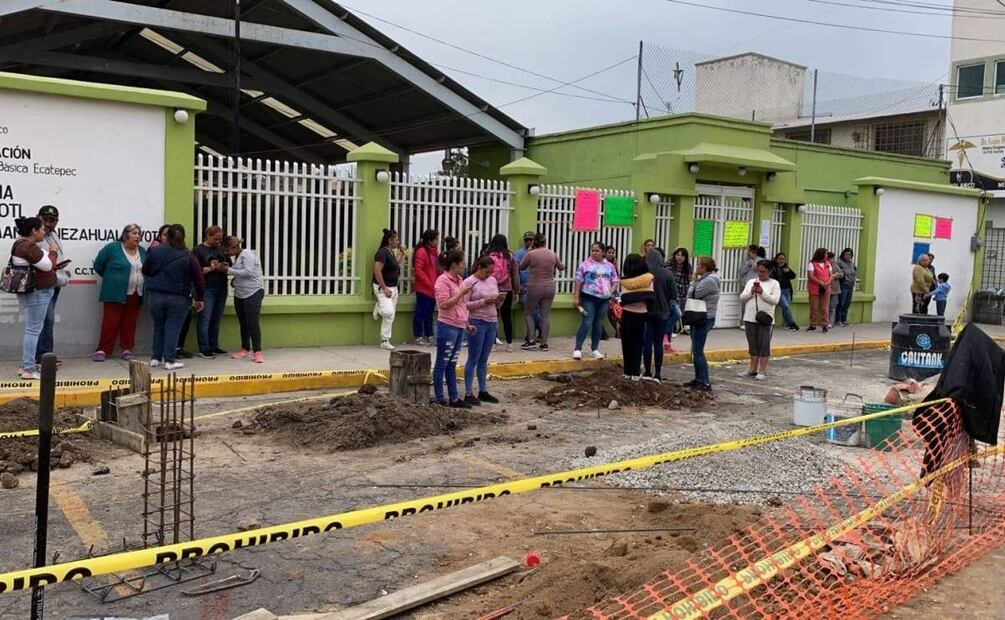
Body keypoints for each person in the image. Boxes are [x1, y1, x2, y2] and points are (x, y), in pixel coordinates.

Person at [142, 224, 205, 370]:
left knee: (159, 326)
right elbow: (199, 280)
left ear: (167, 236)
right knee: (173, 327)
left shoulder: (155, 251)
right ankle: (169, 360)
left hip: (155, 295)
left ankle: (155, 358)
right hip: (178, 298)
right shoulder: (188, 256)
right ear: (183, 237)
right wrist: (199, 298)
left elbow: (146, 269)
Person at [8, 216, 57, 380]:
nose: (44, 232)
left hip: (34, 292)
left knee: (32, 329)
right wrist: (53, 252)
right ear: (34, 231)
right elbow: (48, 265)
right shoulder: (26, 246)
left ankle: (26, 364)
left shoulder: (22, 245)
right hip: (36, 293)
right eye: (42, 229)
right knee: (33, 330)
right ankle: (28, 369)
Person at [92, 224, 147, 362]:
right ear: (125, 235)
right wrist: (113, 279)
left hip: (135, 293)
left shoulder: (142, 250)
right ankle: (103, 349)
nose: (137, 236)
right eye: (134, 233)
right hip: (114, 292)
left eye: (139, 234)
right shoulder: (113, 248)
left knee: (130, 322)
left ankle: (127, 349)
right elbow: (98, 265)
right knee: (110, 322)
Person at [433, 249, 475, 408]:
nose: (464, 266)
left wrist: (467, 323)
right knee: (442, 363)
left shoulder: (459, 280)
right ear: (454, 265)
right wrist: (461, 293)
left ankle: (454, 398)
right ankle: (439, 398)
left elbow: (462, 305)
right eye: (462, 263)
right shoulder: (442, 281)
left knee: (452, 363)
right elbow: (443, 304)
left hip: (459, 326)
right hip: (447, 326)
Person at [463, 256, 503, 406]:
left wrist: (498, 300)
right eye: (487, 272)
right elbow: (464, 304)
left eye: (491, 272)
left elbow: (496, 300)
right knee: (473, 358)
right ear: (479, 268)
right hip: (477, 322)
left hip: (492, 321)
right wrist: (483, 302)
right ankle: (468, 392)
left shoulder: (492, 281)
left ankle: (483, 390)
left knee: (483, 359)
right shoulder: (469, 282)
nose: (489, 275)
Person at [572, 242, 618, 361]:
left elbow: (615, 280)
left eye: (597, 251)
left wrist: (610, 291)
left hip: (603, 300)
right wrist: (576, 297)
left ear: (603, 252)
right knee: (587, 322)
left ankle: (595, 349)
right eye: (593, 250)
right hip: (589, 298)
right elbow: (578, 281)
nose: (594, 253)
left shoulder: (609, 266)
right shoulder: (585, 265)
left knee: (598, 324)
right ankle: (578, 349)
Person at [518, 233, 564, 351]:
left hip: (535, 286)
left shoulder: (531, 254)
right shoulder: (552, 253)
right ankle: (544, 343)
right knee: (545, 315)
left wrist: (529, 252)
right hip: (550, 286)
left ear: (534, 243)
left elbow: (521, 267)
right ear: (545, 242)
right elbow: (561, 267)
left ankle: (531, 340)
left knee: (529, 313)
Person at [35, 205, 68, 367]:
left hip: (55, 282)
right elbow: (42, 262)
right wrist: (53, 259)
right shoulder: (35, 236)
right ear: (38, 218)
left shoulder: (54, 235)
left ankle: (46, 356)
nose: (48, 223)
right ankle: (42, 357)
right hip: (41, 284)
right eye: (45, 219)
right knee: (44, 320)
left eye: (52, 220)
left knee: (48, 321)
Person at [223, 236, 265, 363]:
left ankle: (257, 351)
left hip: (253, 293)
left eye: (227, 250)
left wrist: (229, 270)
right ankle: (245, 348)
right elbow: (239, 272)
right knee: (243, 323)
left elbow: (249, 272)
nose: (226, 253)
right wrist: (231, 272)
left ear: (234, 247)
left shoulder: (247, 254)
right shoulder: (237, 257)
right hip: (240, 294)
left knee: (252, 323)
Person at [739, 259, 780, 381]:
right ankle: (752, 368)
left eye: (764, 272)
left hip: (765, 318)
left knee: (764, 344)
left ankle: (762, 370)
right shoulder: (751, 281)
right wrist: (751, 292)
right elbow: (742, 297)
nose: (761, 274)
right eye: (759, 271)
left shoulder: (774, 284)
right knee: (753, 344)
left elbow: (775, 300)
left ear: (770, 271)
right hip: (750, 317)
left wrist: (762, 293)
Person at [642, 248, 680, 382]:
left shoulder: (645, 273)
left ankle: (647, 371)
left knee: (647, 342)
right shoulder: (668, 274)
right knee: (658, 343)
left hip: (647, 311)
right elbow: (674, 295)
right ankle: (657, 374)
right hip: (663, 312)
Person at [193, 225, 230, 358]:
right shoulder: (198, 250)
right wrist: (211, 268)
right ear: (207, 236)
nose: (218, 242)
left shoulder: (221, 249)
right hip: (207, 287)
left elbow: (229, 264)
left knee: (216, 318)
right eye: (215, 239)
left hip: (222, 287)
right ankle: (204, 347)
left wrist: (225, 267)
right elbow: (195, 271)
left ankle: (214, 345)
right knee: (205, 318)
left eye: (220, 239)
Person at [684, 257, 720, 393]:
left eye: (699, 265)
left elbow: (694, 294)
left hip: (704, 317)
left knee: (698, 351)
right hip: (698, 315)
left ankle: (704, 381)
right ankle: (698, 378)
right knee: (696, 349)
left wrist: (693, 280)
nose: (696, 267)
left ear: (704, 268)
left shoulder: (709, 280)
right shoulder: (705, 279)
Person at [618, 253, 654, 381]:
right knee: (638, 343)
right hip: (641, 315)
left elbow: (624, 299)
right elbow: (650, 298)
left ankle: (627, 371)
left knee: (626, 343)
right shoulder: (649, 279)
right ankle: (635, 372)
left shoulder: (624, 281)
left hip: (627, 314)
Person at [485, 234, 520, 352]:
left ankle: (492, 344)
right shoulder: (510, 256)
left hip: (491, 289)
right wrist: (516, 291)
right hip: (507, 290)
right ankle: (509, 345)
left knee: (492, 317)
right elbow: (515, 276)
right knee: (506, 317)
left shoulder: (487, 255)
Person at [372, 228, 401, 350]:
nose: (398, 242)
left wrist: (401, 253)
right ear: (390, 240)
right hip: (384, 287)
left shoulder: (391, 252)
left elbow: (395, 265)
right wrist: (384, 288)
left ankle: (385, 340)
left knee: (390, 316)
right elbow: (377, 271)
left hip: (393, 287)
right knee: (388, 312)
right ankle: (379, 307)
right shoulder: (382, 253)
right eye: (396, 239)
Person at [412, 229, 439, 346]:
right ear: (430, 241)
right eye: (436, 240)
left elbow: (437, 268)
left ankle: (429, 334)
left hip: (433, 288)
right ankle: (418, 336)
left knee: (429, 313)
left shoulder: (434, 252)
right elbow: (418, 270)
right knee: (421, 312)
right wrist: (429, 283)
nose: (437, 242)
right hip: (423, 289)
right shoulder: (422, 252)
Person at [514, 231, 540, 342]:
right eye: (527, 240)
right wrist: (517, 285)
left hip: (538, 285)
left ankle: (533, 332)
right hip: (525, 287)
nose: (529, 242)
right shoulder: (520, 253)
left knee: (536, 310)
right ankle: (537, 330)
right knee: (530, 310)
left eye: (531, 240)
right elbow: (516, 270)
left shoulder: (539, 253)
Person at [806, 248, 832, 332]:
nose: (827, 256)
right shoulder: (812, 264)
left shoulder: (828, 264)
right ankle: (813, 324)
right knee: (814, 307)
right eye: (826, 254)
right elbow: (811, 276)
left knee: (825, 308)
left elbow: (831, 275)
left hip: (826, 288)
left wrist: (827, 282)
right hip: (815, 288)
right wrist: (820, 282)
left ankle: (825, 324)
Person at [771, 252, 799, 330]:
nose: (781, 260)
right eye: (780, 258)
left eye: (783, 259)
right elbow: (772, 278)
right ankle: (792, 323)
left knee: (786, 308)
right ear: (776, 259)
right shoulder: (773, 267)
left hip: (787, 290)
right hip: (779, 290)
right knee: (786, 306)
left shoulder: (786, 267)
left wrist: (788, 271)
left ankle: (787, 324)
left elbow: (793, 276)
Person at [669, 248, 692, 334]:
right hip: (672, 294)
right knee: (675, 313)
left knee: (682, 313)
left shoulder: (688, 266)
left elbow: (690, 279)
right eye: (678, 255)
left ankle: (680, 328)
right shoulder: (669, 265)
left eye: (682, 255)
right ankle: (671, 329)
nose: (679, 257)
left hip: (683, 293)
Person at [835, 248, 857, 326]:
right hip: (843, 285)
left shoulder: (852, 263)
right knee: (841, 303)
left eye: (850, 254)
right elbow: (838, 273)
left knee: (847, 303)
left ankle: (844, 319)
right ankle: (838, 320)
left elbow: (854, 272)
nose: (848, 256)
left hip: (850, 285)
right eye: (846, 254)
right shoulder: (839, 262)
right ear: (843, 254)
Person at [605, 245, 622, 338]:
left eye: (613, 252)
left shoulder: (614, 265)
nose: (611, 254)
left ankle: (619, 330)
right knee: (609, 310)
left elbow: (616, 279)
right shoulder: (602, 264)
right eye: (609, 252)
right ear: (604, 253)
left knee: (617, 310)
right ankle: (617, 330)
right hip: (604, 291)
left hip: (613, 291)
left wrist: (613, 291)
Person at [826, 251, 843, 329]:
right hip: (826, 289)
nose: (833, 260)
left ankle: (830, 322)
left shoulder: (835, 266)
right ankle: (825, 321)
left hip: (835, 289)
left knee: (833, 307)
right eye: (831, 258)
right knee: (826, 306)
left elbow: (841, 274)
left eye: (833, 258)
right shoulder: (825, 266)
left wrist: (836, 275)